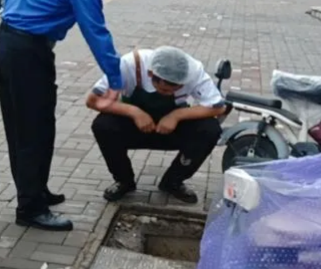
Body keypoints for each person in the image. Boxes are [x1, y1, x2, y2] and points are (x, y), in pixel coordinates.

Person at [0, 0, 141, 232]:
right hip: (27, 51)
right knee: (33, 131)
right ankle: (30, 208)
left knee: (29, 126)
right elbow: (95, 30)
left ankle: (35, 189)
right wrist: (115, 79)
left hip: (9, 41)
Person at [87, 46, 224, 204]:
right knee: (103, 125)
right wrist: (134, 112)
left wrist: (176, 116)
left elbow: (218, 107)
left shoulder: (193, 70)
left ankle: (173, 181)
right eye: (164, 90)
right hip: (134, 127)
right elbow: (93, 100)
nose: (169, 93)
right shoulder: (129, 64)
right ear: (151, 74)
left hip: (170, 130)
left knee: (210, 129)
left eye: (176, 89)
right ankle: (123, 181)